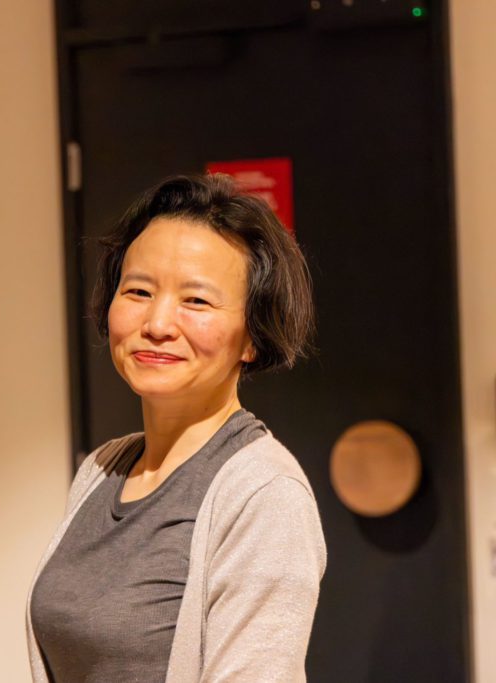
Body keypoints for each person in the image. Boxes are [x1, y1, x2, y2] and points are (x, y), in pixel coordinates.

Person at [27, 174, 326, 683]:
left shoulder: (264, 493)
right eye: (139, 291)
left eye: (197, 301)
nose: (158, 323)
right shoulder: (101, 470)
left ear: (252, 336)